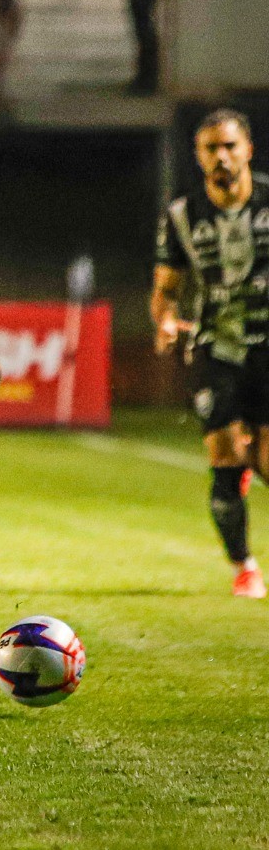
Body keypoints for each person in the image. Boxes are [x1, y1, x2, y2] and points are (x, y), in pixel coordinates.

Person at [152, 110, 269, 600]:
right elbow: (166, 289)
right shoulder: (181, 215)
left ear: (248, 150)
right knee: (223, 450)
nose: (221, 157)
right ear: (199, 157)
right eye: (210, 149)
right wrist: (163, 319)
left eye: (229, 146)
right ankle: (244, 567)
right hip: (214, 346)